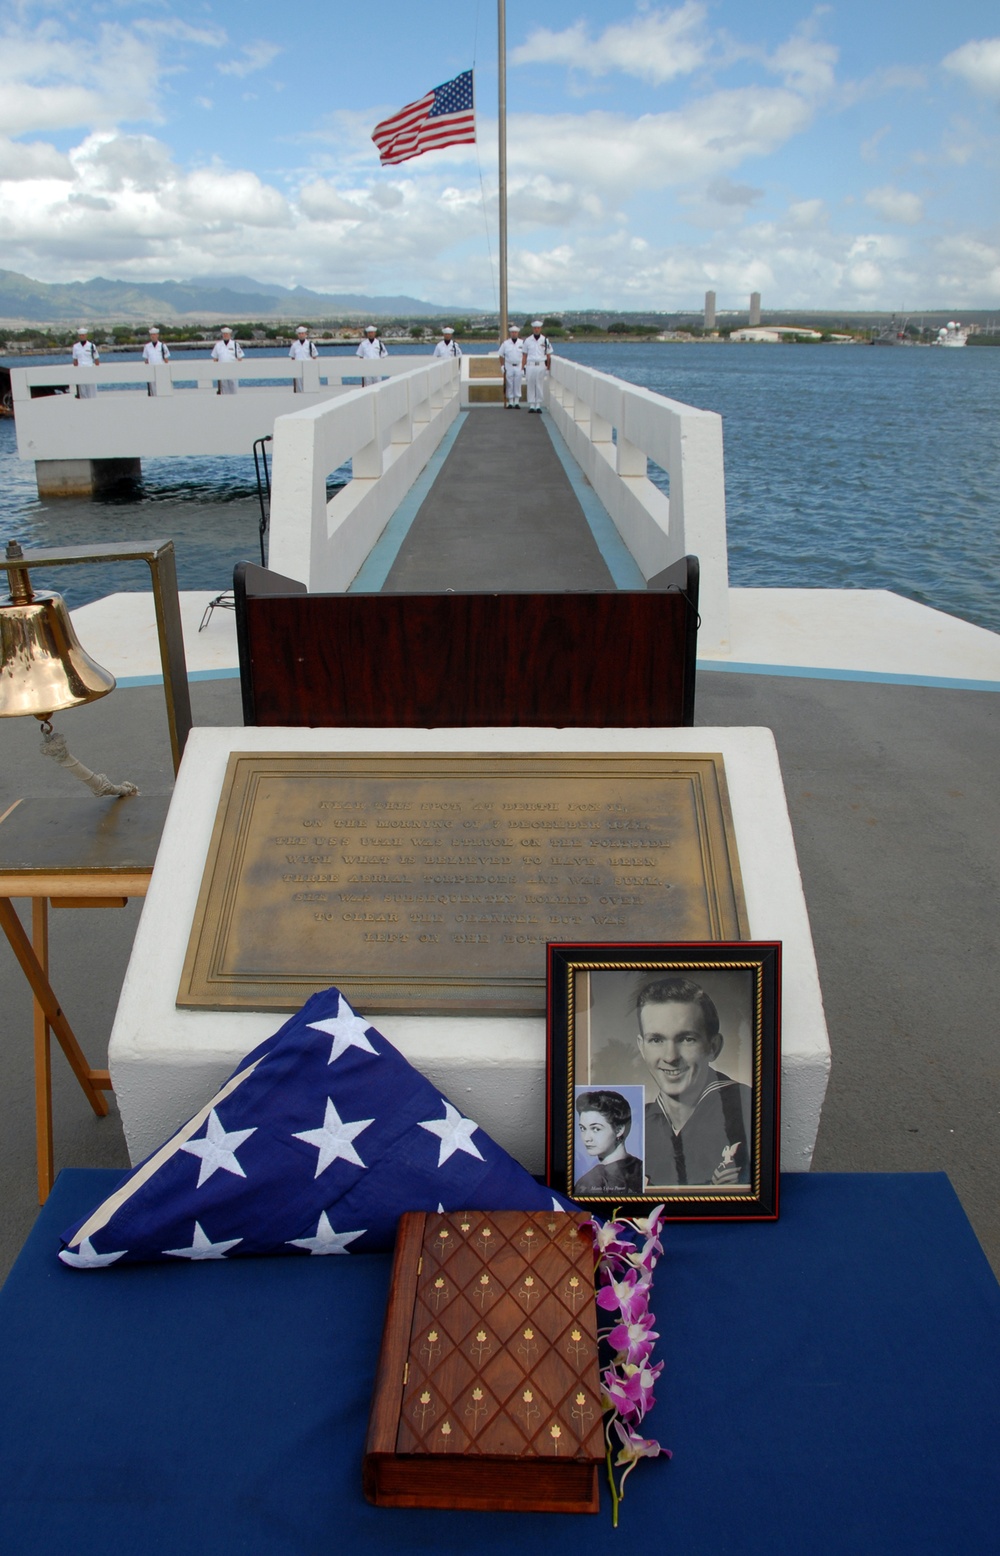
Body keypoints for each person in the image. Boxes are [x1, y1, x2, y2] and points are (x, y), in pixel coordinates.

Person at [637, 977, 751, 1188]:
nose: (670, 1057)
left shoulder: (748, 1107)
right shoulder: (634, 1124)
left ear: (713, 1047)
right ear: (642, 1047)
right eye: (656, 1040)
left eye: (687, 1039)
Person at [573, 1090, 642, 1195]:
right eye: (583, 1128)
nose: (586, 1138)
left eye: (596, 1129)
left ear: (619, 1130)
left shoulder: (590, 1182)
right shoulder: (644, 1168)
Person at [522, 320, 551, 413]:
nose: (536, 330)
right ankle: (531, 405)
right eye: (535, 328)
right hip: (530, 365)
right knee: (530, 384)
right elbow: (524, 355)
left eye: (538, 328)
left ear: (540, 329)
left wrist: (548, 368)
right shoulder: (527, 340)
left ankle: (538, 405)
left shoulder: (545, 340)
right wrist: (523, 368)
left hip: (541, 365)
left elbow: (548, 355)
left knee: (539, 385)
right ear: (532, 329)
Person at [211, 327, 244, 394]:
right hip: (222, 370)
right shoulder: (218, 345)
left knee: (234, 388)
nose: (225, 335)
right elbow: (215, 358)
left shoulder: (235, 344)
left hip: (233, 370)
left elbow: (240, 358)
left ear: (230, 335)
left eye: (227, 334)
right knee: (224, 388)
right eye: (224, 334)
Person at [498, 322, 523, 408]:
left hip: (519, 366)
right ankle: (510, 402)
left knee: (517, 384)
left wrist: (524, 366)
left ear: (518, 333)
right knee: (509, 384)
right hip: (509, 366)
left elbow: (525, 356)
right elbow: (501, 355)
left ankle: (517, 402)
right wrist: (502, 366)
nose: (514, 334)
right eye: (512, 332)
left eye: (515, 332)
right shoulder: (506, 343)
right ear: (510, 333)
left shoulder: (522, 343)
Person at [289, 324, 318, 391]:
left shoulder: (310, 344)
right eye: (299, 333)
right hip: (298, 368)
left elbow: (314, 356)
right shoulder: (294, 345)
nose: (301, 335)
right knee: (298, 387)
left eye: (302, 333)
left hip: (308, 368)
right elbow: (292, 357)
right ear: (298, 335)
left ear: (305, 334)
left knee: (309, 386)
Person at [72, 326, 99, 398]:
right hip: (80, 371)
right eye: (80, 335)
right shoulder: (75, 347)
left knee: (91, 392)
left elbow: (96, 360)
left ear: (86, 335)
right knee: (82, 392)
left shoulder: (91, 346)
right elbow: (75, 361)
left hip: (90, 370)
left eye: (83, 335)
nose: (82, 337)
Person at [142, 326, 170, 396]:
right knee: (153, 391)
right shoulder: (147, 346)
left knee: (162, 389)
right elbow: (146, 360)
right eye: (151, 335)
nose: (153, 336)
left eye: (154, 335)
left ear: (157, 335)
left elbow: (166, 360)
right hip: (151, 370)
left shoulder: (163, 346)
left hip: (161, 370)